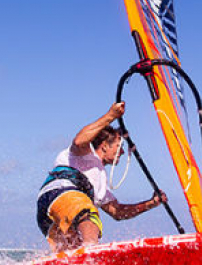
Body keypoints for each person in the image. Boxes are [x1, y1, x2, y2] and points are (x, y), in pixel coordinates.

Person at [36, 101, 167, 252]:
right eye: (119, 147)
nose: (122, 152)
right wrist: (111, 116)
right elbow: (78, 141)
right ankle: (91, 253)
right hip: (60, 193)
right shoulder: (84, 155)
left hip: (46, 214)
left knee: (72, 251)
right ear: (105, 145)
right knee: (89, 215)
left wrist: (151, 203)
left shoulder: (99, 186)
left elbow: (118, 212)